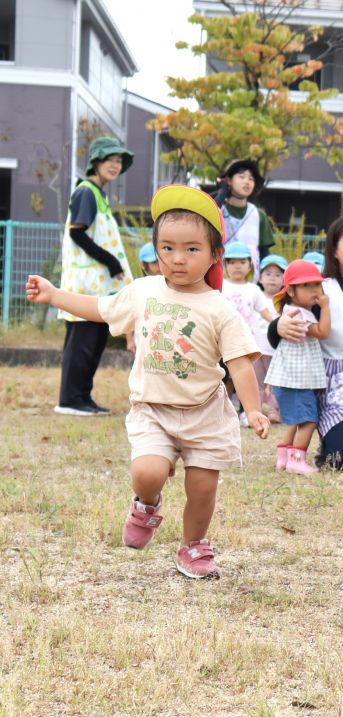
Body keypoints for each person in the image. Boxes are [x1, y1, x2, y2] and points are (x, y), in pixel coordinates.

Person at [26, 185, 269, 579]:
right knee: (147, 473)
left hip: (205, 414)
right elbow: (100, 309)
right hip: (153, 410)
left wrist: (254, 410)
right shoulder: (144, 292)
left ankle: (193, 546)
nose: (177, 259)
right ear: (156, 250)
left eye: (192, 249)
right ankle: (146, 503)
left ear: (214, 255)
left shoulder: (219, 308)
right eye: (167, 248)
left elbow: (240, 365)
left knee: (203, 487)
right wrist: (55, 295)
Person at [269, 215, 343, 468]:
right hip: (338, 387)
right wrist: (278, 326)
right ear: (334, 251)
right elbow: (285, 317)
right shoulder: (320, 289)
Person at [55, 136, 135, 416]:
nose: (115, 165)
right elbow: (77, 232)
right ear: (96, 162)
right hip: (86, 284)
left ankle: (82, 397)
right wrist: (110, 260)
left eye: (119, 161)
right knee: (83, 342)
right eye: (110, 159)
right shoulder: (86, 191)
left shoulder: (98, 194)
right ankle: (69, 400)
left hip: (98, 285)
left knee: (94, 341)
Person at [265, 260, 331, 475]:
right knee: (308, 420)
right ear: (291, 291)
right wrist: (326, 307)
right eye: (307, 286)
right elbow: (323, 332)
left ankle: (284, 457)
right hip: (297, 380)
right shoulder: (300, 314)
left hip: (290, 379)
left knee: (295, 420)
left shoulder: (290, 310)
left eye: (317, 285)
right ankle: (297, 458)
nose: (315, 290)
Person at [222, 241, 279, 424]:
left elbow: (265, 313)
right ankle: (223, 411)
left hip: (245, 343)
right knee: (224, 379)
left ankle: (246, 412)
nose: (237, 266)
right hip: (221, 342)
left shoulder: (253, 290)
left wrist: (280, 324)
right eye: (231, 262)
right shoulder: (220, 286)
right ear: (224, 265)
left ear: (250, 265)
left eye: (242, 262)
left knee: (244, 378)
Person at [215, 159, 275, 273]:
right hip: (221, 279)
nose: (247, 182)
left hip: (250, 281)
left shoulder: (258, 214)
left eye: (251, 179)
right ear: (228, 180)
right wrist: (222, 191)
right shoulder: (218, 210)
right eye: (242, 177)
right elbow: (206, 216)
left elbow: (264, 252)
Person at [255, 254, 287, 421]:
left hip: (275, 350)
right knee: (256, 382)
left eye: (278, 274)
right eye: (268, 274)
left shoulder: (284, 301)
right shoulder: (256, 296)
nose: (272, 278)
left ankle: (275, 411)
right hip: (256, 349)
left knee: (275, 383)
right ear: (260, 278)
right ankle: (256, 410)